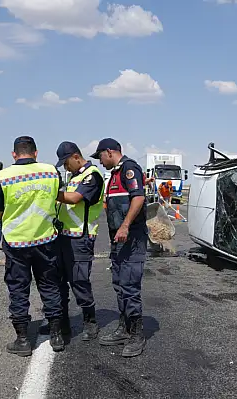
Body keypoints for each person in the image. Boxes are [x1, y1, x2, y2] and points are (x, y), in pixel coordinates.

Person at [0, 136, 68, 356]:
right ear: (36, 153)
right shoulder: (51, 172)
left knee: (18, 289)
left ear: (14, 154)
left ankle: (23, 340)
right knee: (50, 286)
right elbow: (57, 197)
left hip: (16, 243)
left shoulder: (3, 176)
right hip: (46, 240)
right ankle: (56, 336)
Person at [90, 138, 148, 358]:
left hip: (131, 238)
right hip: (119, 240)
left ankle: (137, 334)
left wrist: (125, 225)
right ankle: (124, 328)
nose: (100, 161)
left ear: (109, 152)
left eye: (100, 157)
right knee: (119, 283)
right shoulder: (114, 174)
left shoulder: (129, 168)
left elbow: (138, 197)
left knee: (130, 284)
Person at [52, 141, 105, 341]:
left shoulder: (92, 175)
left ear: (76, 156)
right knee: (59, 282)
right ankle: (62, 324)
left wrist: (50, 194)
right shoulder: (75, 176)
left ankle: (90, 322)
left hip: (80, 238)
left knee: (79, 281)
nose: (65, 167)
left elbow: (74, 198)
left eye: (66, 163)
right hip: (64, 236)